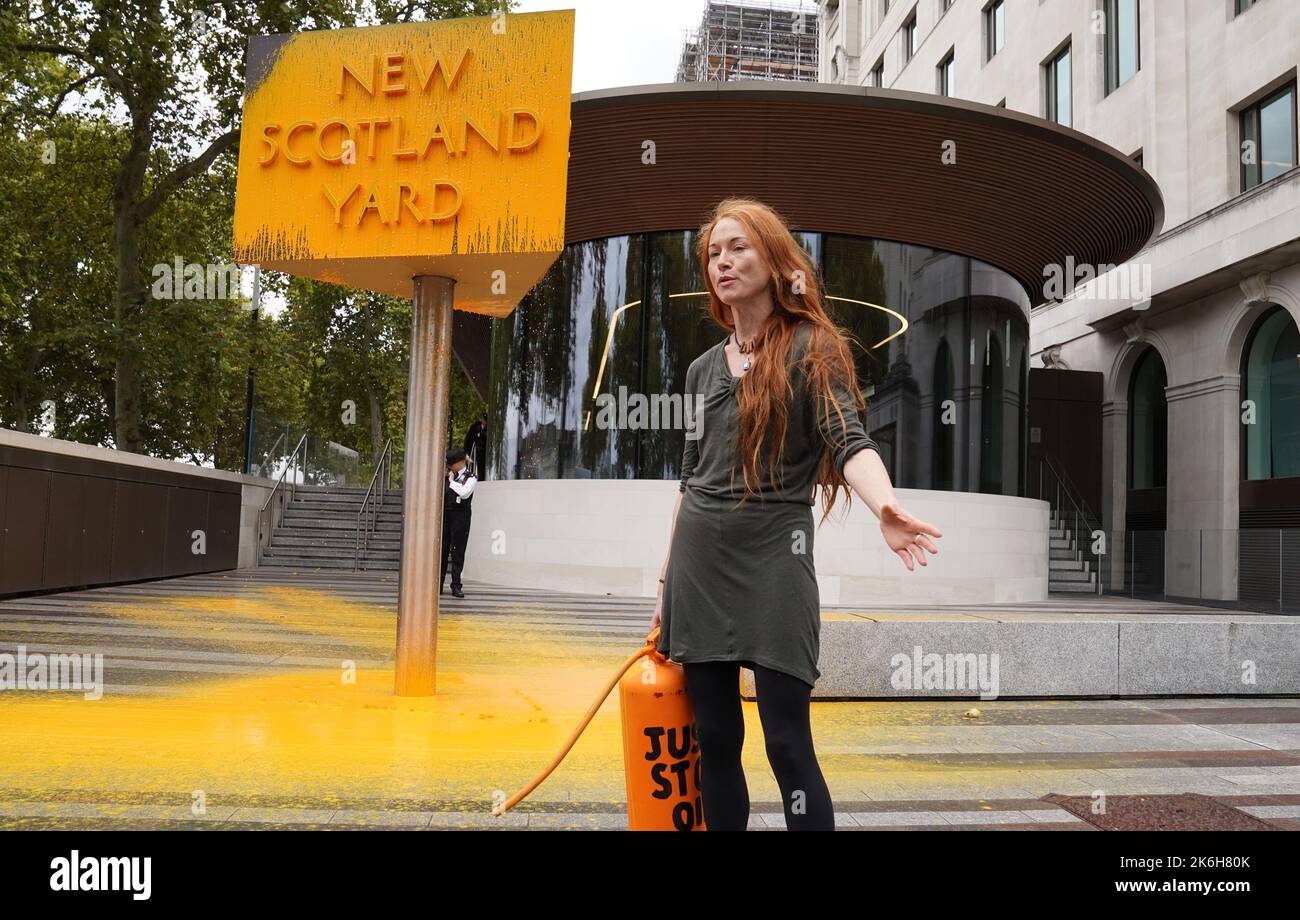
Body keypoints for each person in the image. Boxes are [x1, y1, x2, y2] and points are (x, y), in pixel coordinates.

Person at [651, 197, 943, 831]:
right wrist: (666, 579)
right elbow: (689, 477)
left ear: (774, 256)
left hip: (775, 562)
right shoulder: (702, 369)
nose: (722, 262)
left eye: (738, 247)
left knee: (786, 744)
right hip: (699, 564)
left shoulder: (813, 346)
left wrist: (885, 506)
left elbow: (850, 440)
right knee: (714, 739)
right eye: (713, 253)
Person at [441, 447, 476, 598]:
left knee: (458, 550)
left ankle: (456, 585)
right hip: (446, 515)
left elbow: (464, 493)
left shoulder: (470, 477)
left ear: (459, 463)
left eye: (451, 464)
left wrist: (451, 482)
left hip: (461, 516)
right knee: (442, 549)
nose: (449, 467)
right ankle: (438, 584)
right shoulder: (447, 476)